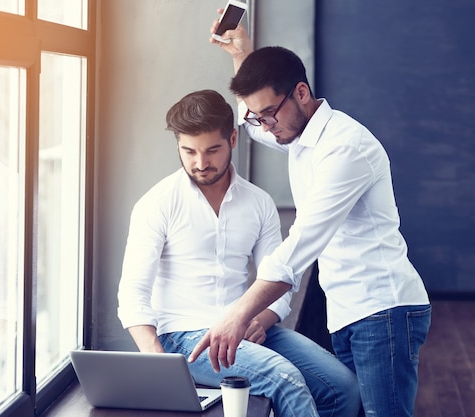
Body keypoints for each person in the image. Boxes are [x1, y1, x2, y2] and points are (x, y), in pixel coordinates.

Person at [188, 16, 432, 417]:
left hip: (382, 309)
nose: (264, 126)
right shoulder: (299, 135)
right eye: (256, 116)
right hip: (349, 309)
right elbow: (259, 128)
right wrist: (242, 55)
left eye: (268, 114)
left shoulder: (344, 148)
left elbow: (299, 246)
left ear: (301, 93)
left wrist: (237, 315)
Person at [117, 89, 360, 417]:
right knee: (283, 379)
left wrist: (261, 317)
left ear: (233, 138)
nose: (200, 163)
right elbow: (133, 292)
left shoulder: (259, 203)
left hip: (245, 328)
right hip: (185, 339)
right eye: (188, 151)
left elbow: (280, 280)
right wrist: (156, 359)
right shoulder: (156, 204)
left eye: (212, 150)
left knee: (342, 387)